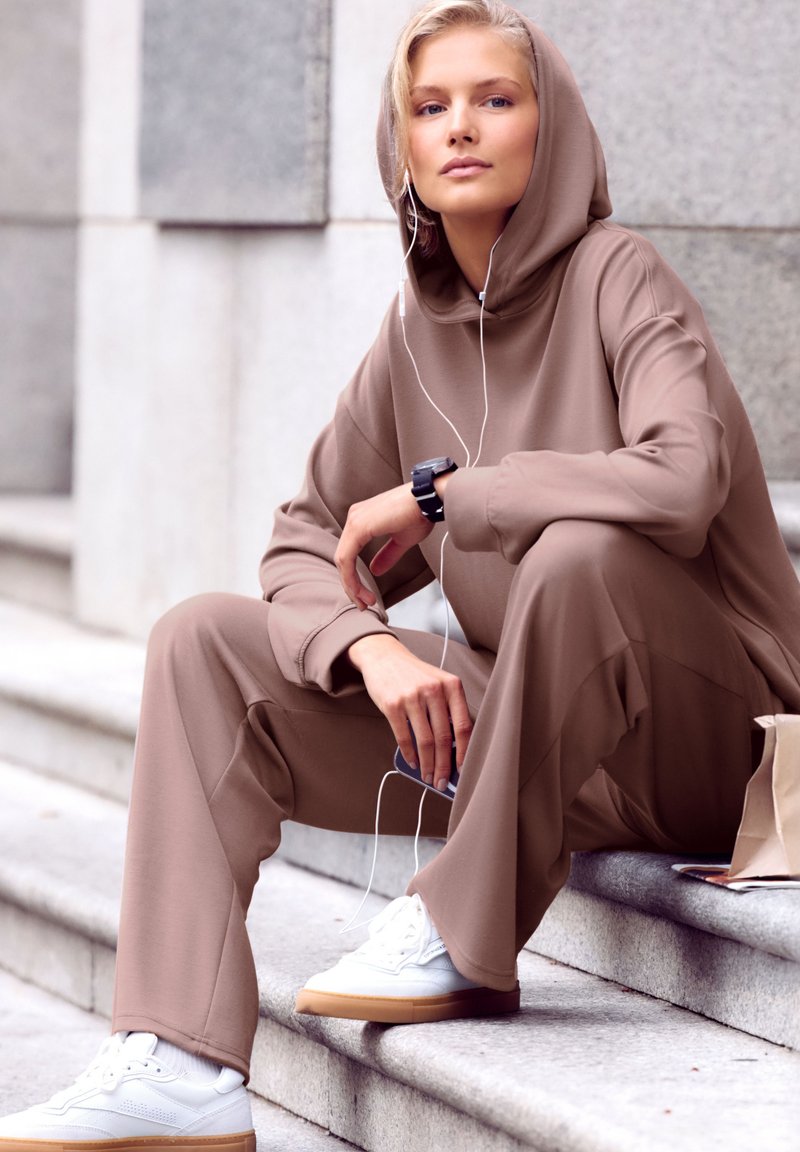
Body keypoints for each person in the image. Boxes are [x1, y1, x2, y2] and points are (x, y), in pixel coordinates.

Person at [3, 0, 800, 1148]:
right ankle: (177, 1058)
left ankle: (460, 933)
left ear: (549, 128)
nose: (460, 128)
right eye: (429, 107)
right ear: (401, 146)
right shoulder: (410, 334)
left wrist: (445, 496)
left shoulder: (619, 277)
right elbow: (297, 540)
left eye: (495, 99)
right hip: (537, 741)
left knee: (584, 552)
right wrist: (368, 646)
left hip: (710, 751)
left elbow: (678, 483)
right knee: (201, 641)